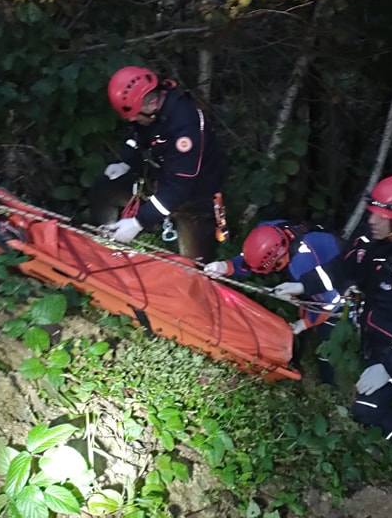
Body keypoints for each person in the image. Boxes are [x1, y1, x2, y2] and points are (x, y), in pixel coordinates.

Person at [273, 175, 392, 470]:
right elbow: (343, 266)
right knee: (345, 385)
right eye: (372, 212)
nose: (373, 220)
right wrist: (303, 285)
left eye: (383, 216)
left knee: (367, 409)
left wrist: (390, 366)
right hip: (371, 331)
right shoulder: (375, 236)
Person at [91, 66, 225, 262]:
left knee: (196, 268)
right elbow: (136, 136)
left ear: (152, 102)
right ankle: (105, 242)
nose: (133, 120)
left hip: (194, 197)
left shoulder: (185, 126)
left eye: (136, 116)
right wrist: (126, 162)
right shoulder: (149, 113)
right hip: (159, 181)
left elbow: (179, 189)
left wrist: (138, 222)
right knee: (104, 189)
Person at [202, 221, 345, 384]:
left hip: (340, 280)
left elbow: (330, 303)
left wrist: (305, 323)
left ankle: (330, 383)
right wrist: (226, 267)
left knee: (328, 337)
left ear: (278, 261)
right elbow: (250, 260)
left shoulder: (302, 266)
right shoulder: (267, 232)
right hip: (318, 254)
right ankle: (296, 356)